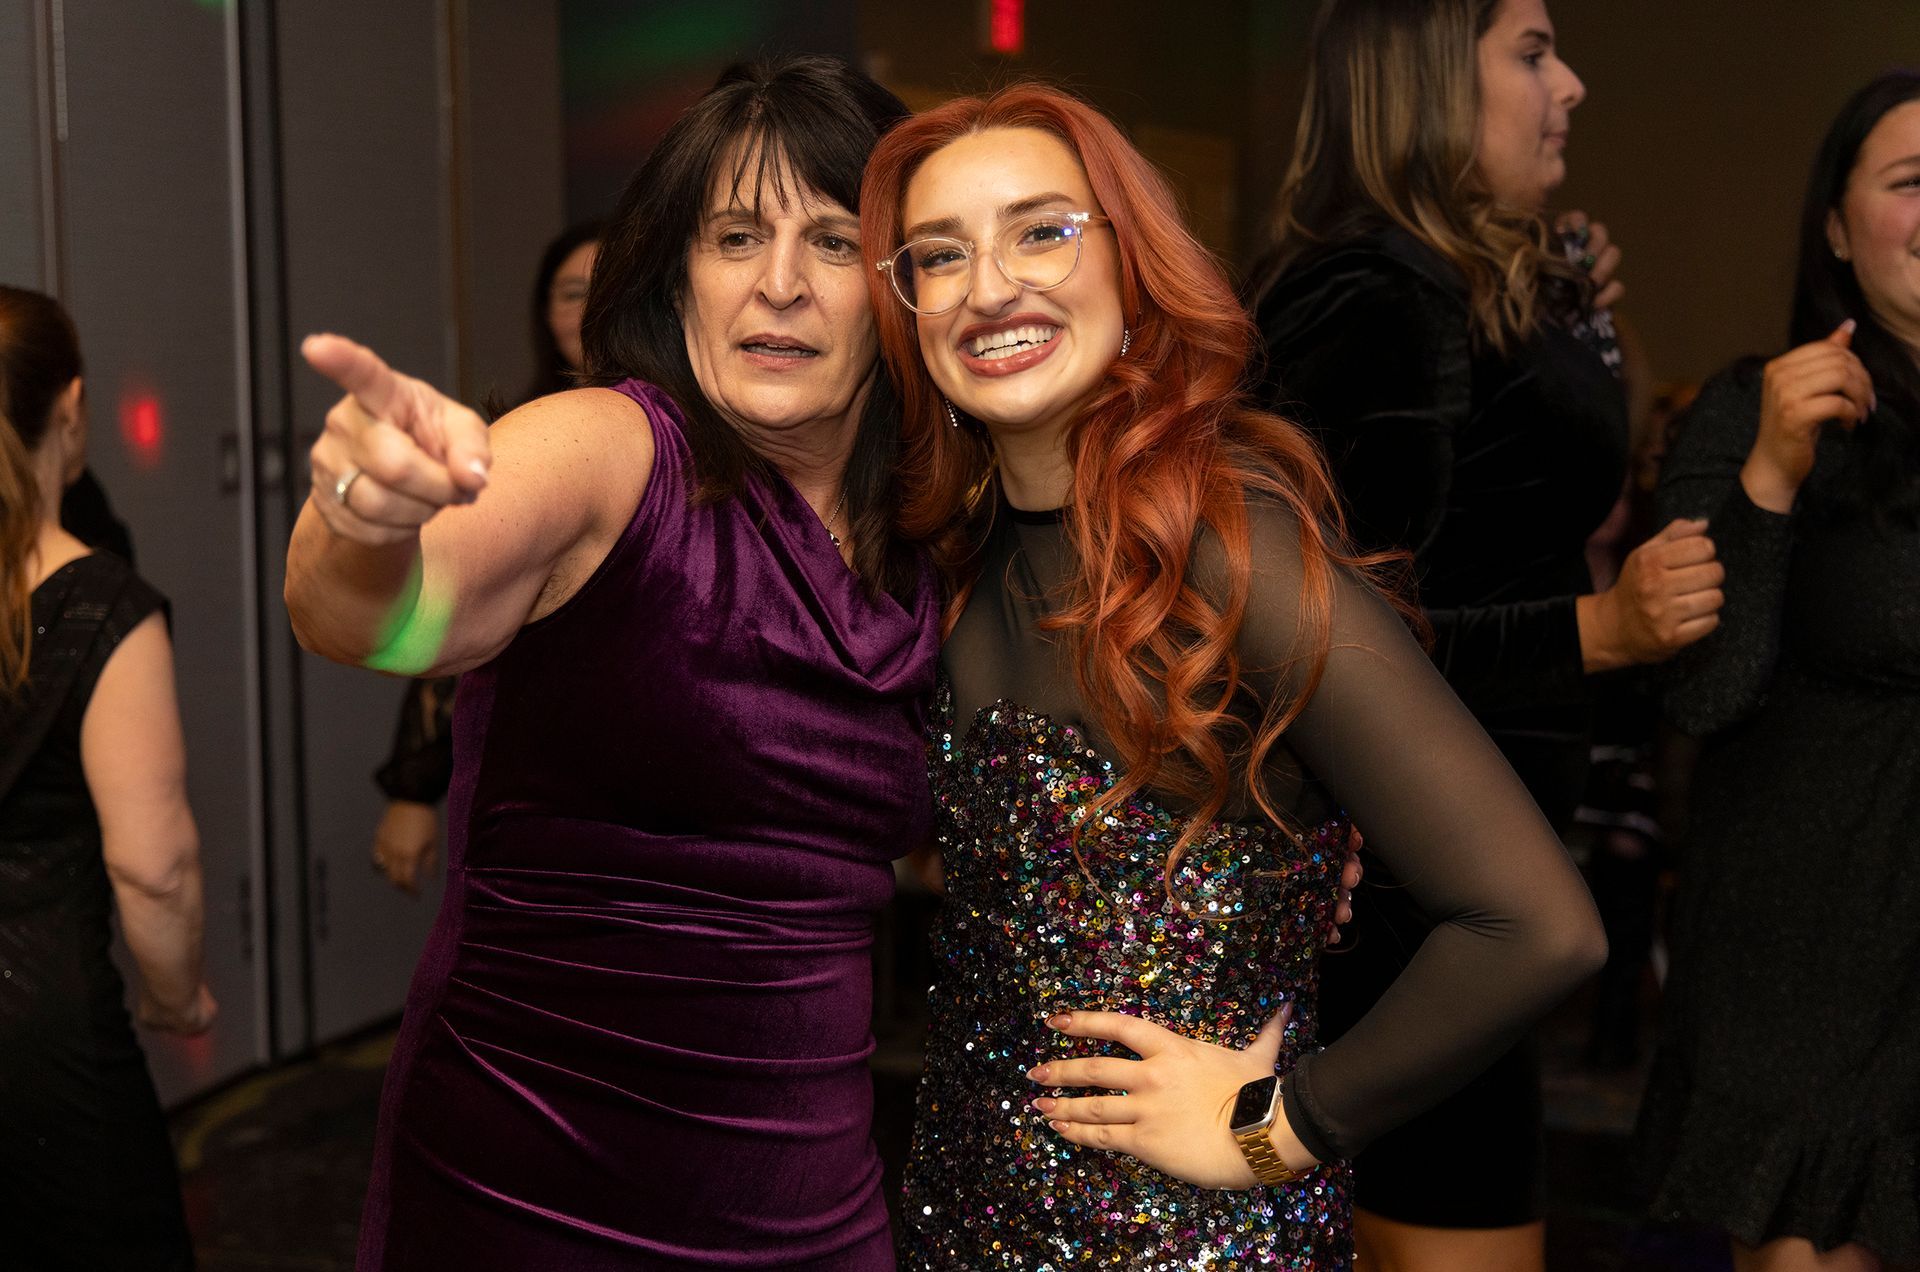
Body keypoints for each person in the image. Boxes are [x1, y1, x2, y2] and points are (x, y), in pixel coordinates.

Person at [859, 81, 1606, 1269]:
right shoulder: (954, 554)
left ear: (1131, 260)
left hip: (1192, 1235)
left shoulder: (1229, 542)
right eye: (940, 255)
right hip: (966, 1209)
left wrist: (1280, 1129)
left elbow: (1536, 924)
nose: (991, 285)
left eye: (1042, 230)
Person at [284, 58, 940, 1268]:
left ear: (900, 288)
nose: (779, 285)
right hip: (536, 1193)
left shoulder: (932, 542)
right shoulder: (611, 451)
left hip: (815, 1206)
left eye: (835, 242)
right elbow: (379, 619)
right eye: (736, 235)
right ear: (679, 273)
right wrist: (363, 522)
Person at [1247, 2, 1725, 1266]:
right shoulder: (1372, 291)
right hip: (1408, 916)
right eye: (1530, 49)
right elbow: (1330, 653)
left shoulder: (1445, 282)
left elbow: (1484, 528)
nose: (1569, 82)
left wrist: (1552, 295)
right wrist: (1595, 630)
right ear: (1423, 80)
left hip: (1466, 906)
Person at [1637, 70, 1920, 1272]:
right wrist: (1768, 479)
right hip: (1809, 969)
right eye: (1911, 183)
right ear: (1837, 226)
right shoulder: (1757, 408)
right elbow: (1700, 693)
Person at [0, 284, 216, 1269]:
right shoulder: (98, 606)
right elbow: (154, 866)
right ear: (72, 408)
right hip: (42, 1046)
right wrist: (176, 998)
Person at [370, 221, 603, 895]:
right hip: (530, 773)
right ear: (543, 313)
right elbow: (450, 605)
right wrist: (413, 786)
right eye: (570, 292)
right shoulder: (512, 442)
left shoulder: (703, 438)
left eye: (608, 284)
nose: (589, 307)